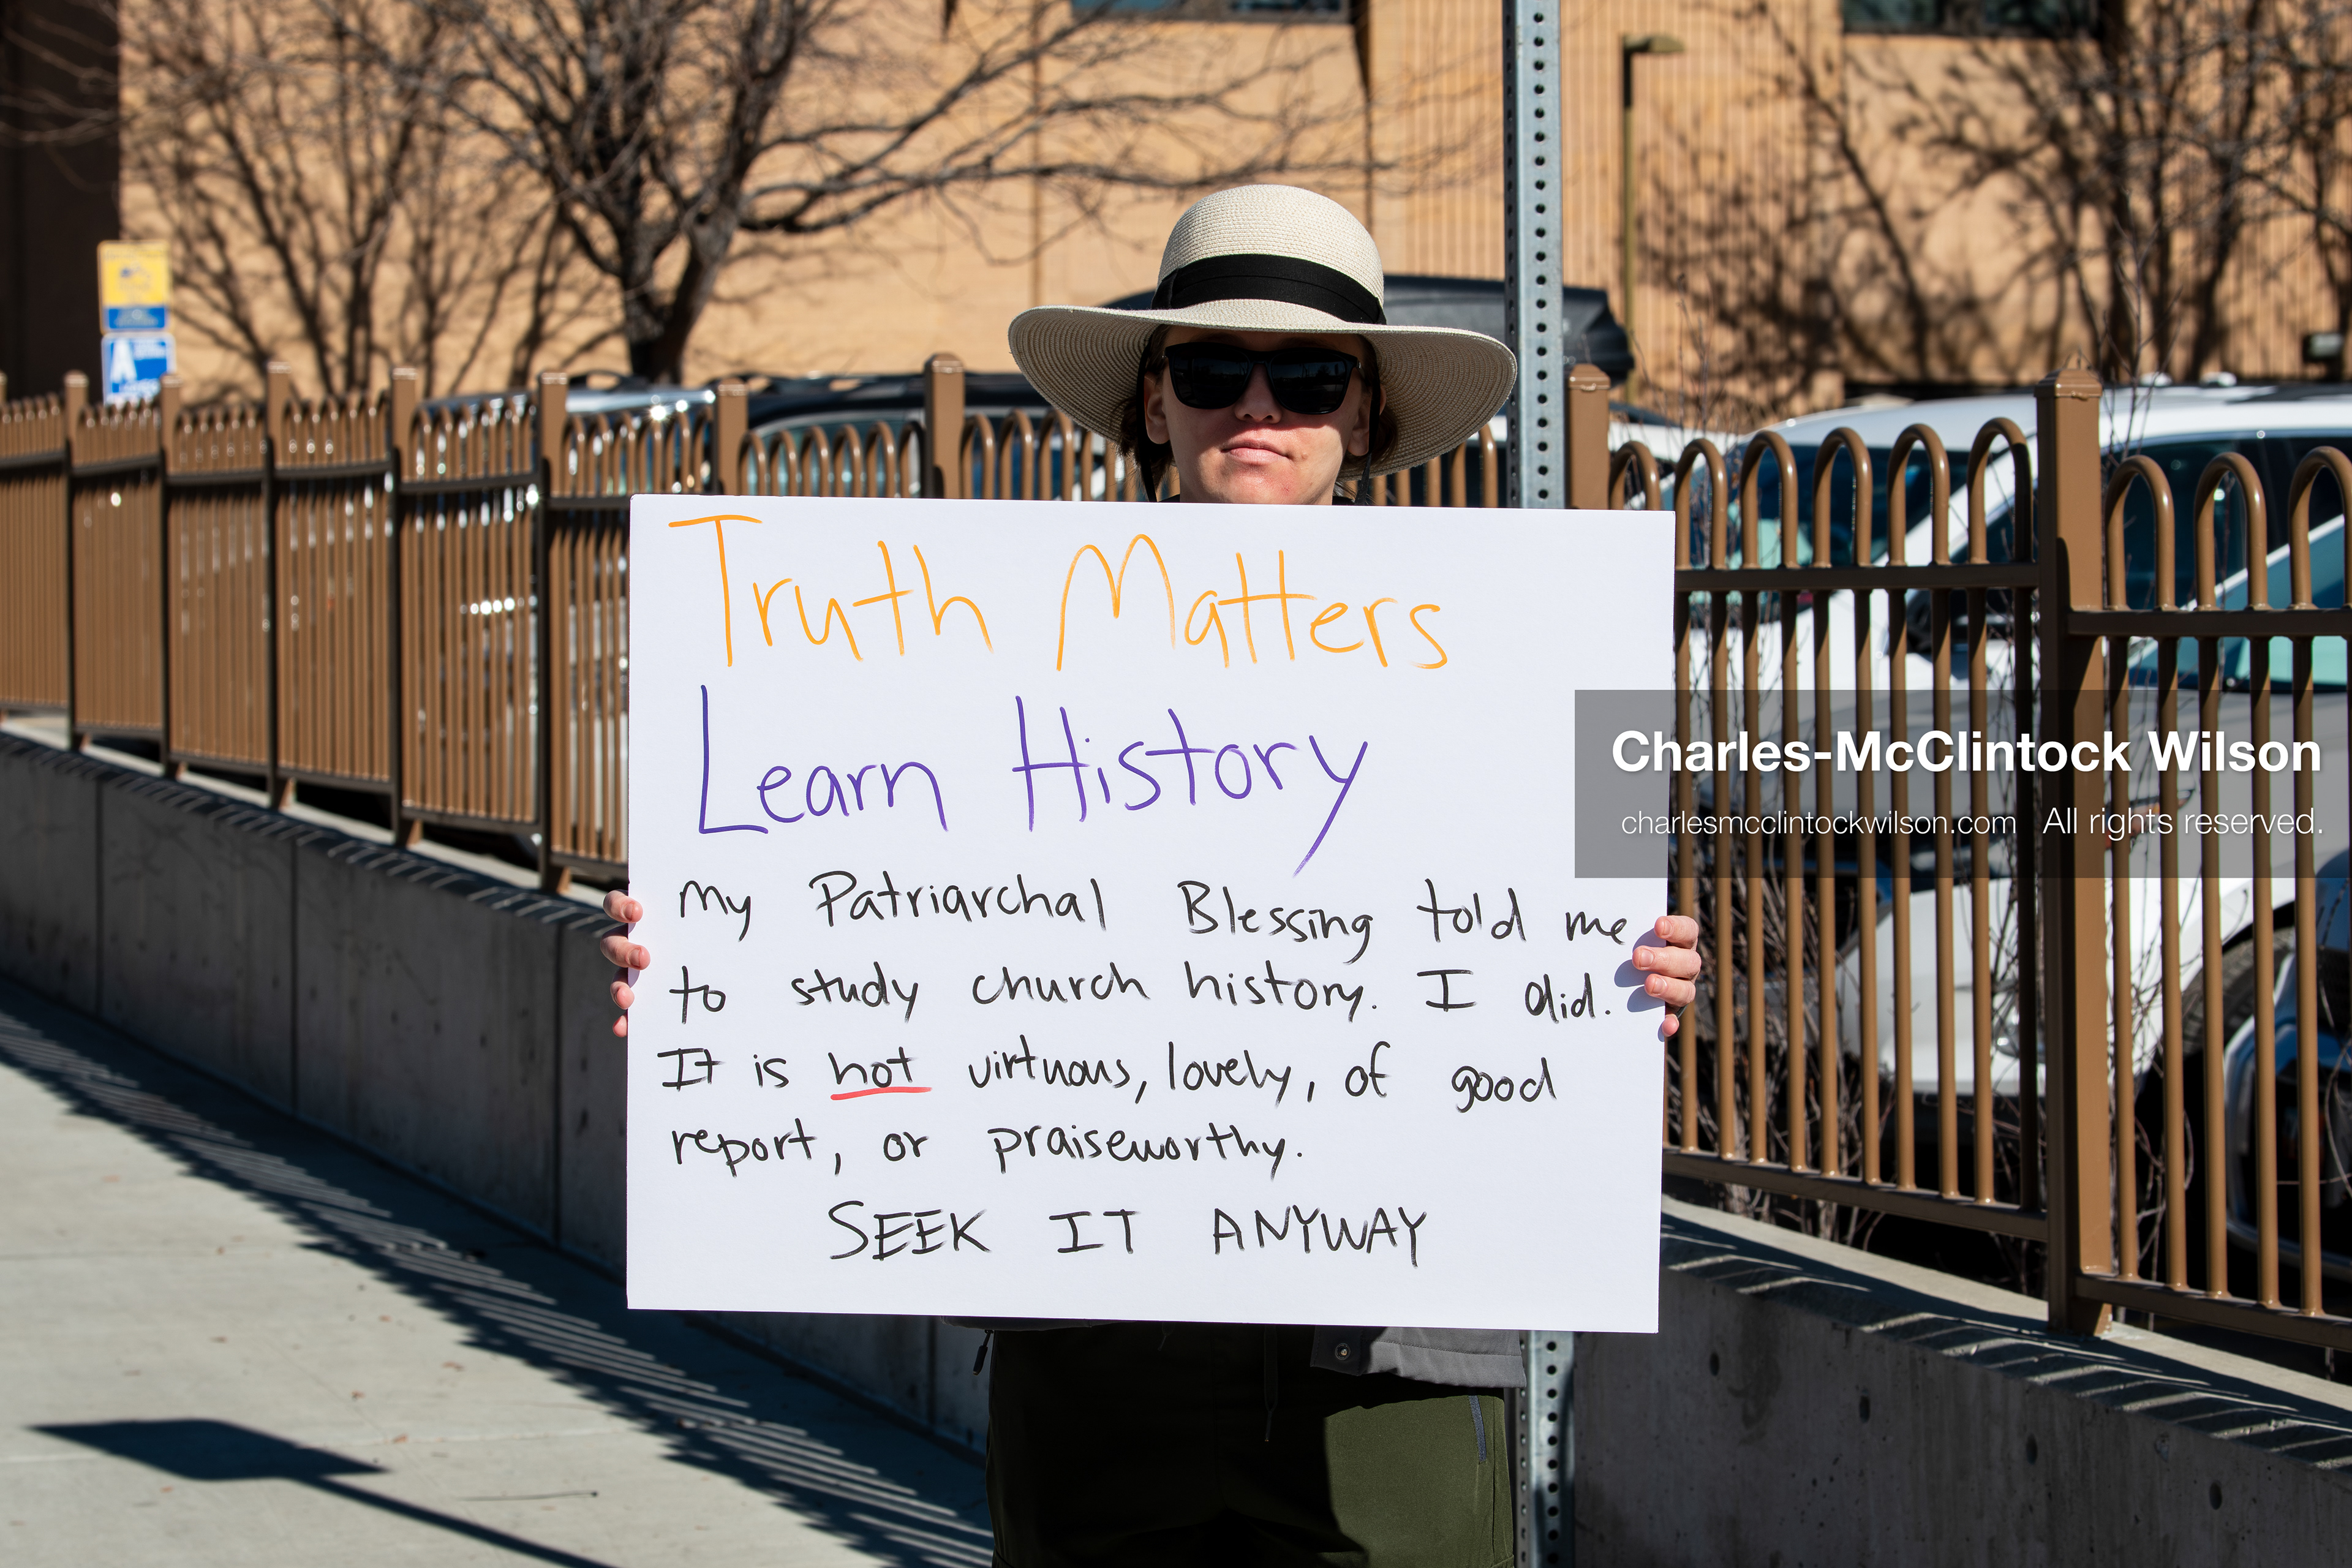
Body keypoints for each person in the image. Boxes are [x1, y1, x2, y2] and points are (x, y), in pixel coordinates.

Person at [599, 184, 1703, 1567]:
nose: (1259, 405)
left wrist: (1656, 971)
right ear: (1150, 404)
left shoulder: (1548, 631)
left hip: (1396, 1361)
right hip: (1097, 1350)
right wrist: (702, 967)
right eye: (1209, 368)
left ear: (1363, 412)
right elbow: (858, 901)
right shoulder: (983, 641)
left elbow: (1627, 903)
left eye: (1308, 374)